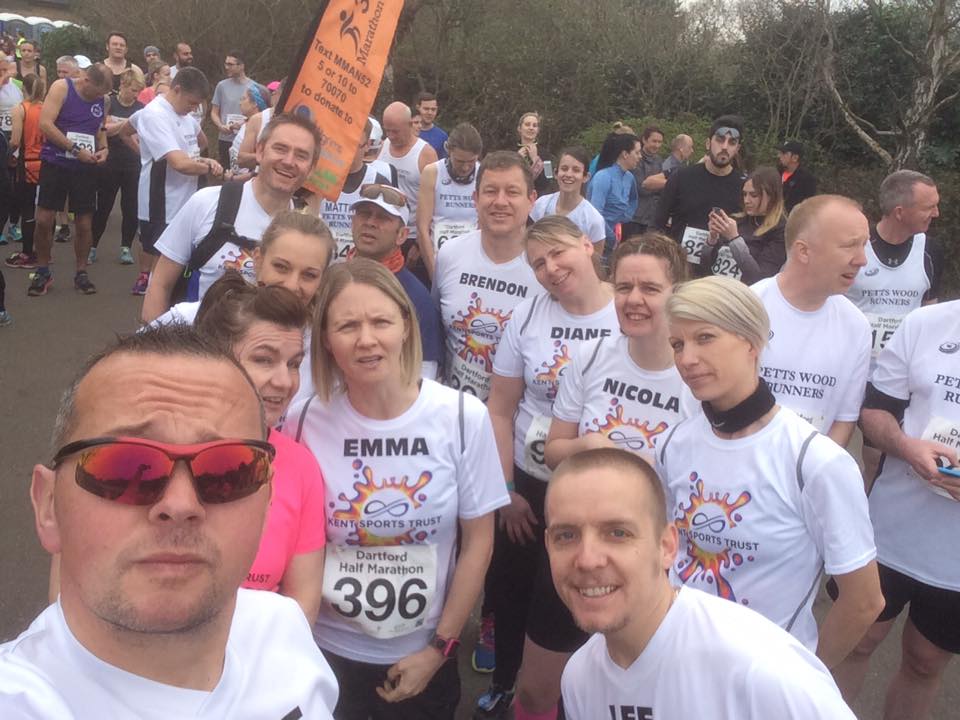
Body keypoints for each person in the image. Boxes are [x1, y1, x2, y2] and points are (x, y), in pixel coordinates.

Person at [0, 326, 339, 718]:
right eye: (127, 467)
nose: (180, 504)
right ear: (48, 506)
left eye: (228, 469)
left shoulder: (283, 631)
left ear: (266, 503)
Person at [282, 259, 509, 718]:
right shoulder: (302, 419)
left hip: (423, 654)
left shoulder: (462, 416)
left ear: (406, 326)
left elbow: (478, 543)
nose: (366, 339)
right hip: (324, 650)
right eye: (347, 326)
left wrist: (440, 649)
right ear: (325, 339)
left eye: (380, 322)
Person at [657, 276, 882, 667]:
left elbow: (864, 600)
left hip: (763, 678)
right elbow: (662, 554)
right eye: (678, 344)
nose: (687, 358)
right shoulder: (672, 444)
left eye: (705, 338)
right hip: (675, 661)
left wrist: (803, 679)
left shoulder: (816, 461)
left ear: (751, 343)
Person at [549, 449, 860, 719]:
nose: (587, 559)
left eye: (618, 533)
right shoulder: (579, 678)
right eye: (566, 535)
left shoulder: (762, 671)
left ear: (667, 546)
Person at [480, 216, 620, 720]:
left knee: (576, 597)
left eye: (558, 253)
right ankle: (505, 682)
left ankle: (574, 696)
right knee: (513, 588)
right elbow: (500, 408)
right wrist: (507, 490)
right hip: (530, 482)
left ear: (587, 244)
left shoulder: (625, 311)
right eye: (538, 264)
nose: (550, 269)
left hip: (595, 492)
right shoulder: (528, 315)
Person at [830, 300, 960, 720]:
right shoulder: (926, 324)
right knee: (855, 639)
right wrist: (906, 446)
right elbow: (874, 412)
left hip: (953, 561)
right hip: (888, 531)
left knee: (925, 661)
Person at [195, 275, 327, 622]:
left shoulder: (300, 467)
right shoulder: (157, 453)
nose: (284, 382)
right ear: (216, 359)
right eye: (264, 360)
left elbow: (301, 609)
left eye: (294, 364)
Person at [142, 113, 322, 322]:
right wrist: (152, 338)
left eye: (301, 155)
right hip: (197, 340)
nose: (289, 161)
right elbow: (160, 284)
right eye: (280, 149)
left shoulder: (309, 228)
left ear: (311, 168)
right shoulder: (207, 203)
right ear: (260, 151)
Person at [545, 233, 695, 470]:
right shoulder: (592, 355)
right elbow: (553, 452)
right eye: (624, 288)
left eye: (650, 289)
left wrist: (639, 466)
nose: (633, 299)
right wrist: (587, 446)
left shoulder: (697, 374)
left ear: (677, 295)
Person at [752, 195, 871, 446]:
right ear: (803, 251)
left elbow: (844, 419)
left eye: (864, 245)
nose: (862, 260)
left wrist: (813, 468)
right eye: (850, 245)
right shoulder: (748, 307)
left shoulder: (856, 326)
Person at [432, 151, 539, 402]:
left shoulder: (547, 267)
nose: (500, 202)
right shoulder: (449, 254)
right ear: (475, 198)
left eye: (512, 192)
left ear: (531, 200)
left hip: (518, 412)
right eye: (490, 191)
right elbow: (436, 326)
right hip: (455, 409)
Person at [126, 67, 220, 296]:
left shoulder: (186, 116)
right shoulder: (154, 114)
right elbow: (179, 164)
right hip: (161, 203)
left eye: (197, 105)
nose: (193, 109)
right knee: (160, 272)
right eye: (191, 102)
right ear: (177, 89)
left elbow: (201, 143)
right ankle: (153, 314)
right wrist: (209, 167)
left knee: (179, 272)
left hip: (187, 201)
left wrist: (203, 159)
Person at [27, 63, 112, 297]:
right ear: (86, 81)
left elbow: (101, 128)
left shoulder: (103, 100)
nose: (99, 97)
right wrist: (74, 149)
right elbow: (45, 124)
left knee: (84, 223)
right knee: (44, 220)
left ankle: (81, 272)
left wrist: (104, 148)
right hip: (56, 162)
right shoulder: (61, 88)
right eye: (96, 92)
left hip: (85, 168)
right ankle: (43, 270)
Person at [846, 170, 943, 360]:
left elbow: (930, 312)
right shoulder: (854, 245)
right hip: (852, 362)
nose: (936, 213)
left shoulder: (930, 251)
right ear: (899, 212)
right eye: (928, 207)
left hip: (901, 367)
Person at [350, 183, 443, 379]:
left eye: (383, 217)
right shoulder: (333, 281)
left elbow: (425, 372)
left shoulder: (415, 297)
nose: (370, 222)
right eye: (364, 213)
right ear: (352, 222)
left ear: (401, 235)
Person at [655, 116, 745, 271]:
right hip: (681, 268)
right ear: (708, 143)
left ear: (737, 149)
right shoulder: (681, 177)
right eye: (720, 140)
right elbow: (657, 223)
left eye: (732, 142)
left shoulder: (744, 186)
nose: (725, 147)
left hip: (720, 273)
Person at [310, 118, 392, 262]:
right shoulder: (317, 179)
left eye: (354, 145)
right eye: (343, 144)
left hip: (358, 266)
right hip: (320, 263)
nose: (347, 151)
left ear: (367, 145)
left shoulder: (378, 181)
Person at [89, 67, 144, 267]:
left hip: (132, 162)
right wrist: (127, 125)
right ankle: (92, 246)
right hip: (110, 162)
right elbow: (103, 130)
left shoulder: (141, 108)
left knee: (131, 207)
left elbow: (139, 135)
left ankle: (125, 247)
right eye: (133, 90)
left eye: (138, 91)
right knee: (103, 206)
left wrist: (118, 126)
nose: (135, 95)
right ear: (122, 85)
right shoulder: (109, 103)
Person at [416, 122, 482, 280]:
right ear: (448, 150)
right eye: (459, 161)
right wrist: (434, 273)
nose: (465, 168)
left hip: (471, 260)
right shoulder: (432, 172)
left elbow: (484, 223)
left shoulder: (483, 173)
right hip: (438, 257)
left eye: (471, 161)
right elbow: (422, 227)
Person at [700, 166, 787, 284]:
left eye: (754, 195)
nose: (747, 200)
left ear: (772, 196)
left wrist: (734, 239)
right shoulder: (737, 220)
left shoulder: (781, 230)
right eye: (745, 194)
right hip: (717, 286)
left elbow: (760, 278)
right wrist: (712, 239)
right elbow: (705, 264)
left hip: (743, 292)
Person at [379, 101, 438, 248]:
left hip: (412, 235)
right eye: (387, 131)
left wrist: (419, 243)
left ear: (410, 125)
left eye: (395, 131)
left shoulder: (425, 154)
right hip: (385, 233)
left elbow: (435, 201)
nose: (391, 136)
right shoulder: (383, 146)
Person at [4, 73, 43, 269]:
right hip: (45, 162)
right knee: (44, 208)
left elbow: (15, 140)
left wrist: (7, 155)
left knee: (27, 208)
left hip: (26, 163)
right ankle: (44, 252)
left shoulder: (20, 109)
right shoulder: (46, 108)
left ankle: (27, 253)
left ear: (23, 89)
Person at [529, 146, 605, 246]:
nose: (569, 174)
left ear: (586, 177)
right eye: (564, 169)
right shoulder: (541, 204)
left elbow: (596, 255)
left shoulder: (593, 219)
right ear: (556, 173)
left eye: (576, 170)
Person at [587, 132, 641, 261]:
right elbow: (595, 213)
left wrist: (625, 217)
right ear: (625, 154)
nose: (640, 156)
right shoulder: (603, 177)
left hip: (617, 236)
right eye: (637, 152)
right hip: (597, 239)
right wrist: (611, 237)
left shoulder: (629, 177)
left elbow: (634, 199)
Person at [211, 51, 254, 168]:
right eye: (226, 64)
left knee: (243, 171)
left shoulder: (253, 87)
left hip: (245, 139)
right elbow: (214, 112)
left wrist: (244, 124)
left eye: (230, 64)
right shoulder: (221, 86)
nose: (226, 67)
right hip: (225, 138)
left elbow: (257, 114)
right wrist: (220, 125)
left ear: (241, 66)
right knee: (226, 171)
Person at [625, 126, 666, 237]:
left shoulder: (658, 160)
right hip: (634, 217)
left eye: (660, 142)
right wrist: (661, 185)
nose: (657, 145)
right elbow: (641, 187)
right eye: (654, 141)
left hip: (651, 219)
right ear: (644, 140)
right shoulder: (636, 159)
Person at [227, 84, 269, 176]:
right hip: (236, 174)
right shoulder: (246, 123)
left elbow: (256, 168)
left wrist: (233, 179)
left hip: (244, 180)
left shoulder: (260, 127)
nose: (240, 103)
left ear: (254, 104)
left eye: (243, 99)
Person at [516, 111, 551, 197]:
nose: (531, 128)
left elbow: (549, 178)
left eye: (534, 125)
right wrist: (516, 158)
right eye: (527, 124)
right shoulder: (510, 151)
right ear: (519, 128)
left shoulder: (546, 153)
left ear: (538, 130)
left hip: (538, 198)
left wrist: (535, 158)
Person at [778, 140, 817, 213]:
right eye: (780, 153)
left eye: (784, 153)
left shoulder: (806, 179)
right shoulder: (776, 174)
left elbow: (808, 206)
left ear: (795, 158)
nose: (779, 156)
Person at [415, 91, 447, 159]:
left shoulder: (442, 136)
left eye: (433, 109)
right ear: (418, 108)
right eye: (426, 109)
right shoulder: (409, 133)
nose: (430, 113)